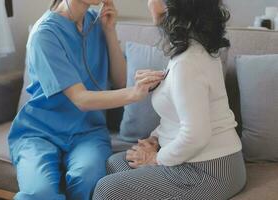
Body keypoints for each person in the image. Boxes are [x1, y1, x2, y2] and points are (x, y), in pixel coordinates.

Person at [7, 0, 165, 199]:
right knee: (40, 193)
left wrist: (109, 31)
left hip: (87, 132)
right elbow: (80, 99)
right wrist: (135, 93)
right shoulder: (45, 34)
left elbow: (120, 80)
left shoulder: (96, 23)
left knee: (88, 180)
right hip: (40, 132)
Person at [93, 0, 247, 199]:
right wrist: (156, 139)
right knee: (118, 162)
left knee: (107, 189)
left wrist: (156, 158)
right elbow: (179, 117)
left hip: (210, 169)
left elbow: (196, 135)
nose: (149, 3)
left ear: (173, 7)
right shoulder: (191, 49)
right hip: (198, 158)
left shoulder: (188, 63)